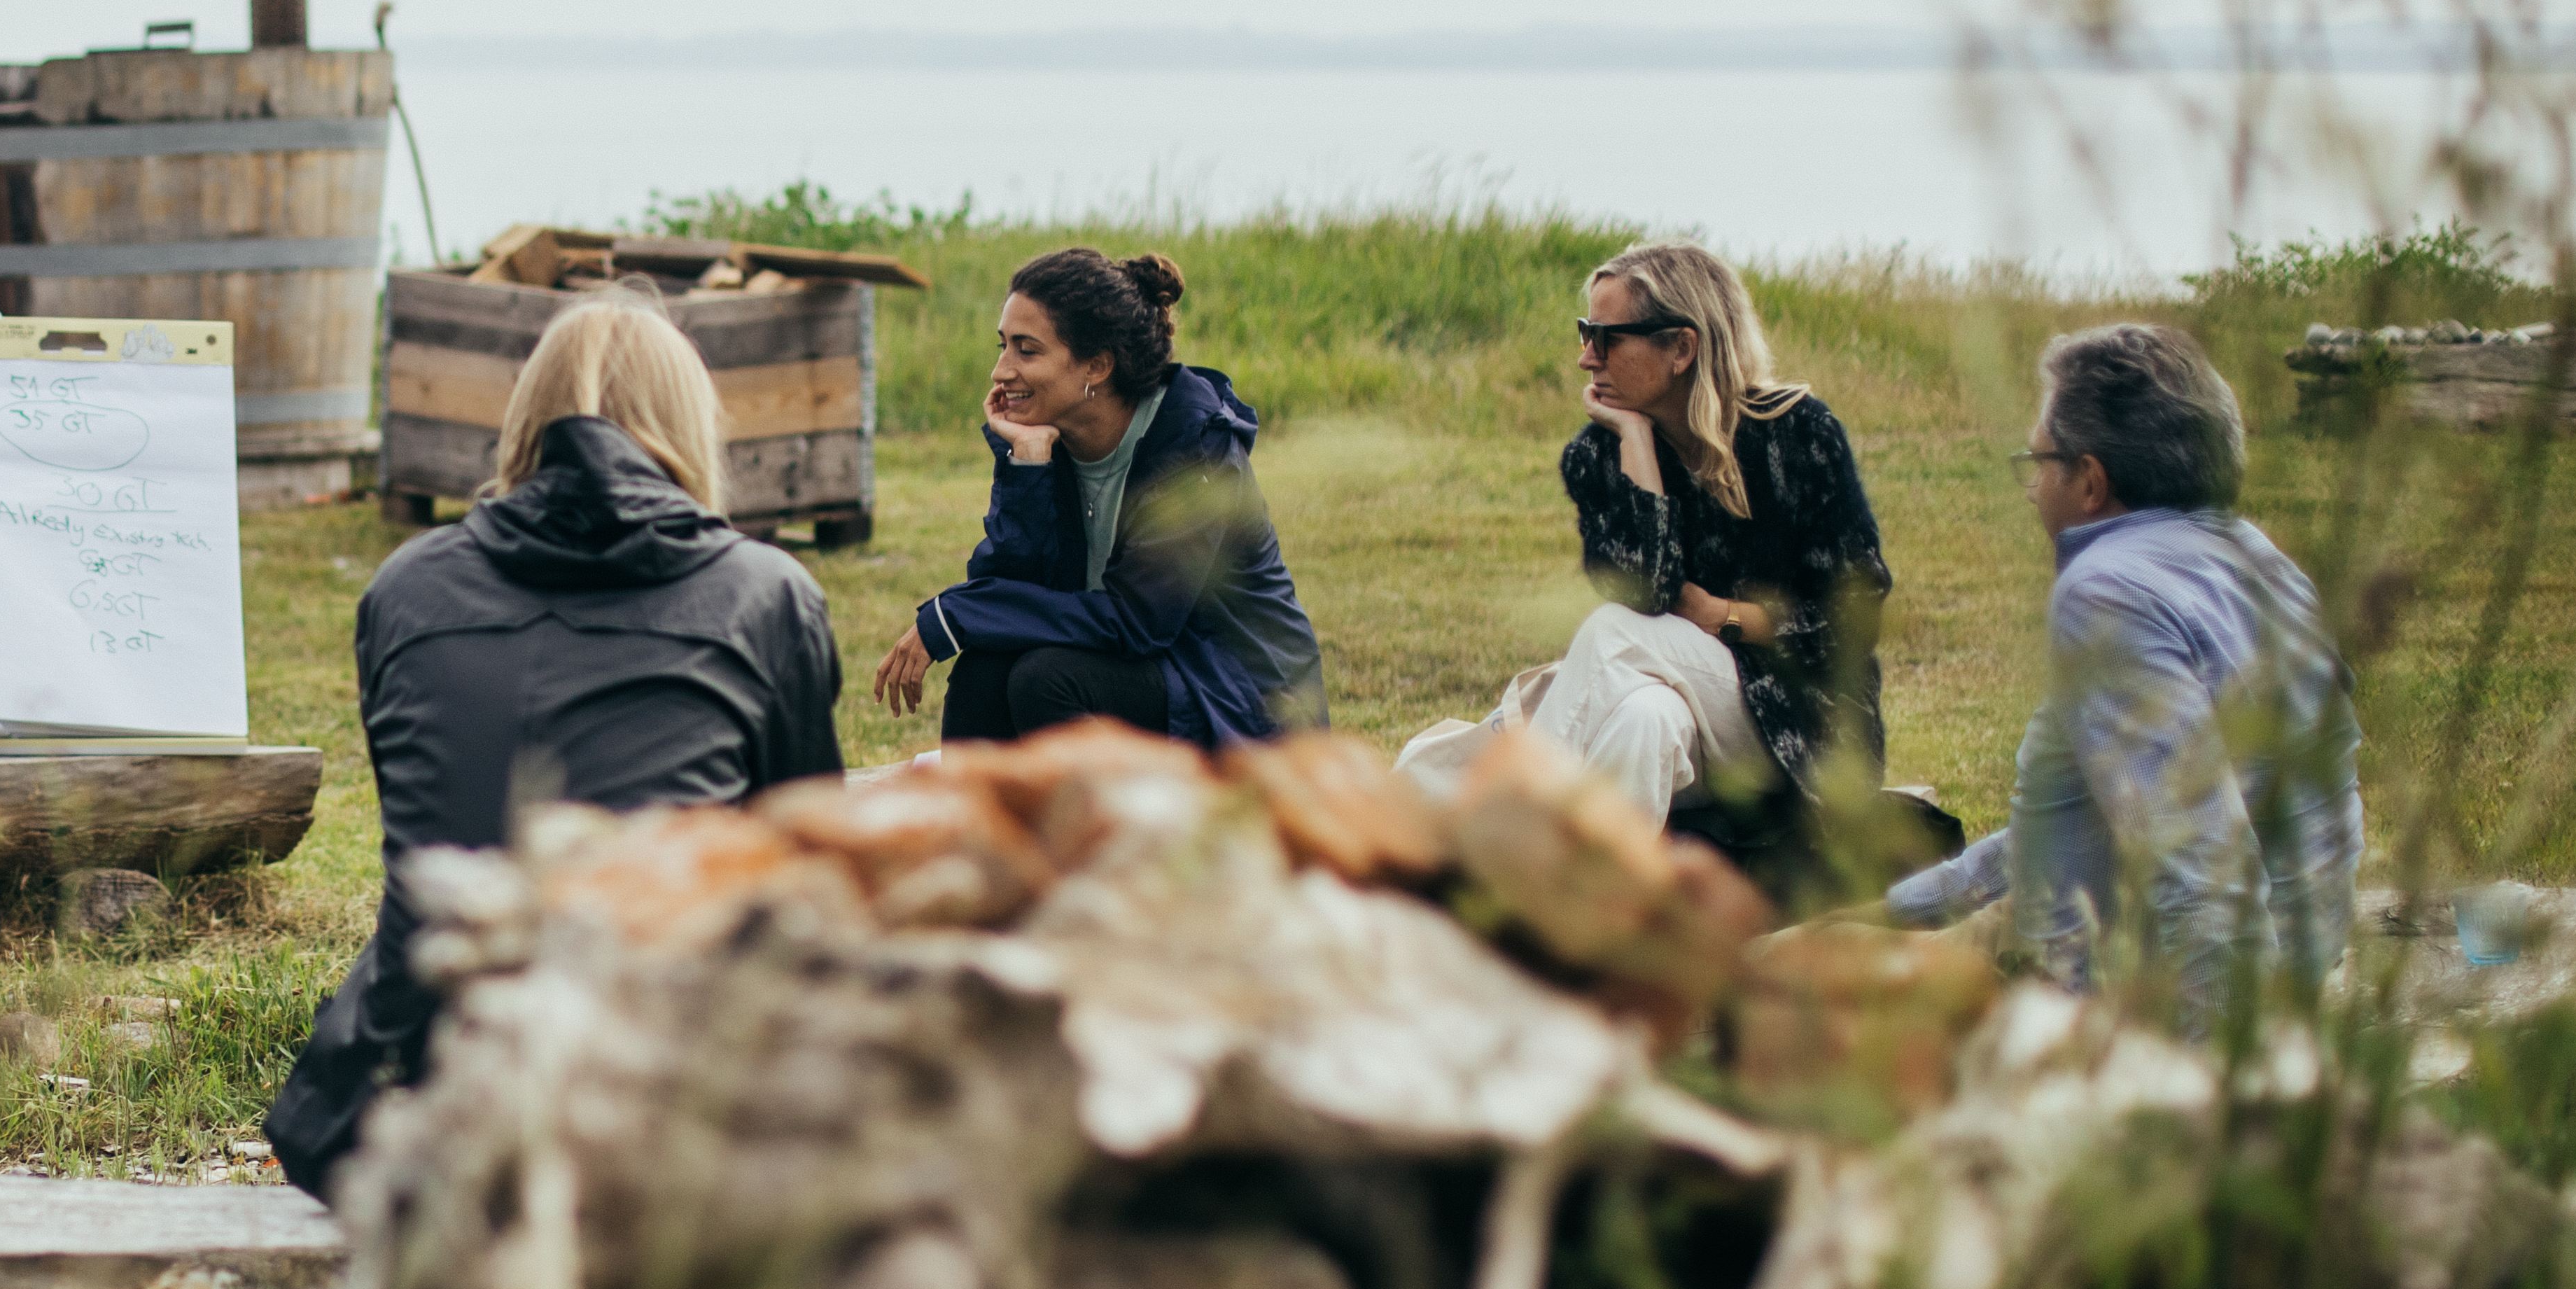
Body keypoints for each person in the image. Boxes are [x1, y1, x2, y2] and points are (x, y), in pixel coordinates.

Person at [262, 298, 844, 1197]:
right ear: (693, 425)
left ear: (522, 420)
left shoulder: (406, 589)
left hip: (420, 1085)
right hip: (657, 1090)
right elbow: (809, 873)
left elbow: (434, 823)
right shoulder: (765, 594)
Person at [1886, 322, 2359, 1029]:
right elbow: (2073, 825)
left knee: (1769, 989)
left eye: (2038, 461)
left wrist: (2214, 1102)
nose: (2030, 486)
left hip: (2142, 1002)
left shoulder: (2108, 594)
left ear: (2091, 481)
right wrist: (1899, 908)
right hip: (2288, 954)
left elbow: (2203, 877)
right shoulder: (2260, 561)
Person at [1404, 242, 1890, 899]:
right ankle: (1590, 925)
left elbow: (1849, 615)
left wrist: (1725, 618)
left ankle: (1497, 836)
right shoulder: (1598, 457)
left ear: (1682, 349)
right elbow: (1652, 589)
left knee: (1611, 632)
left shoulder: (1797, 435)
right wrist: (1636, 443)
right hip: (1688, 717)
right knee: (1644, 717)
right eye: (1585, 333)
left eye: (1606, 337)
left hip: (1804, 725)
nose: (1585, 356)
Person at [870, 247, 1322, 749]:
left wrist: (957, 614)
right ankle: (978, 821)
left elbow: (1138, 622)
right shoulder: (1050, 436)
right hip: (1147, 670)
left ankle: (1107, 823)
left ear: (1097, 365)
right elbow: (1011, 585)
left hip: (1241, 695)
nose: (1001, 371)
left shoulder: (1196, 448)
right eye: (1002, 347)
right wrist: (1028, 464)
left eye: (1027, 350)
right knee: (985, 668)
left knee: (1046, 678)